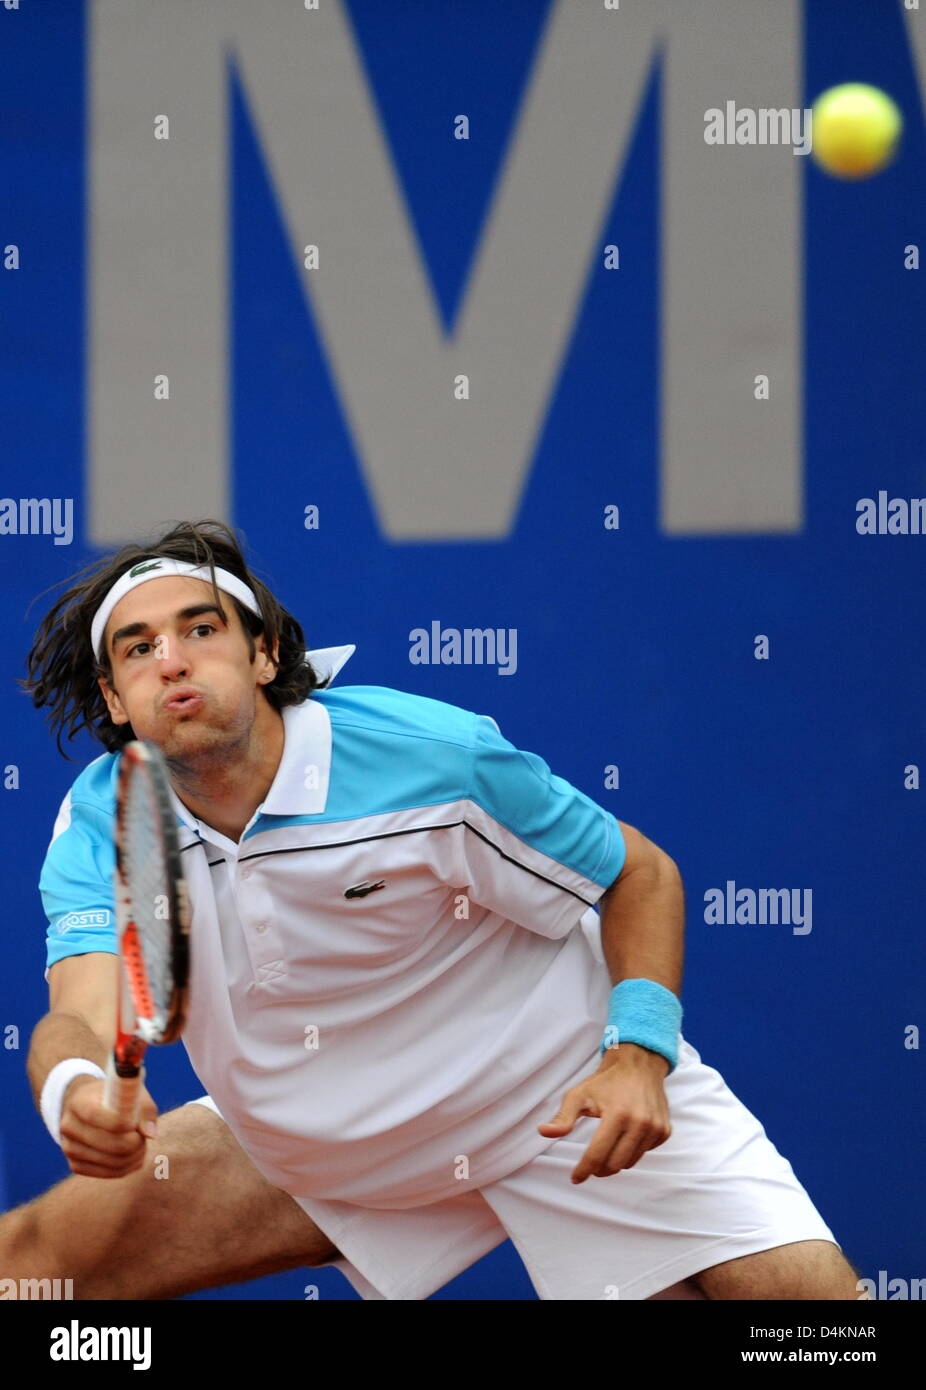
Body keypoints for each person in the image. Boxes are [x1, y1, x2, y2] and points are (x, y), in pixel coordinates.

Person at [2, 519, 867, 1301]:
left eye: (201, 629)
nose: (173, 660)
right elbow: (77, 1015)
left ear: (264, 656)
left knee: (815, 1328)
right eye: (138, 647)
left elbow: (639, 873)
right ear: (116, 699)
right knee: (32, 1268)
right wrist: (75, 1092)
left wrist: (639, 1053)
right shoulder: (103, 822)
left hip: (565, 1100)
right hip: (316, 1149)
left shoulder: (429, 759)